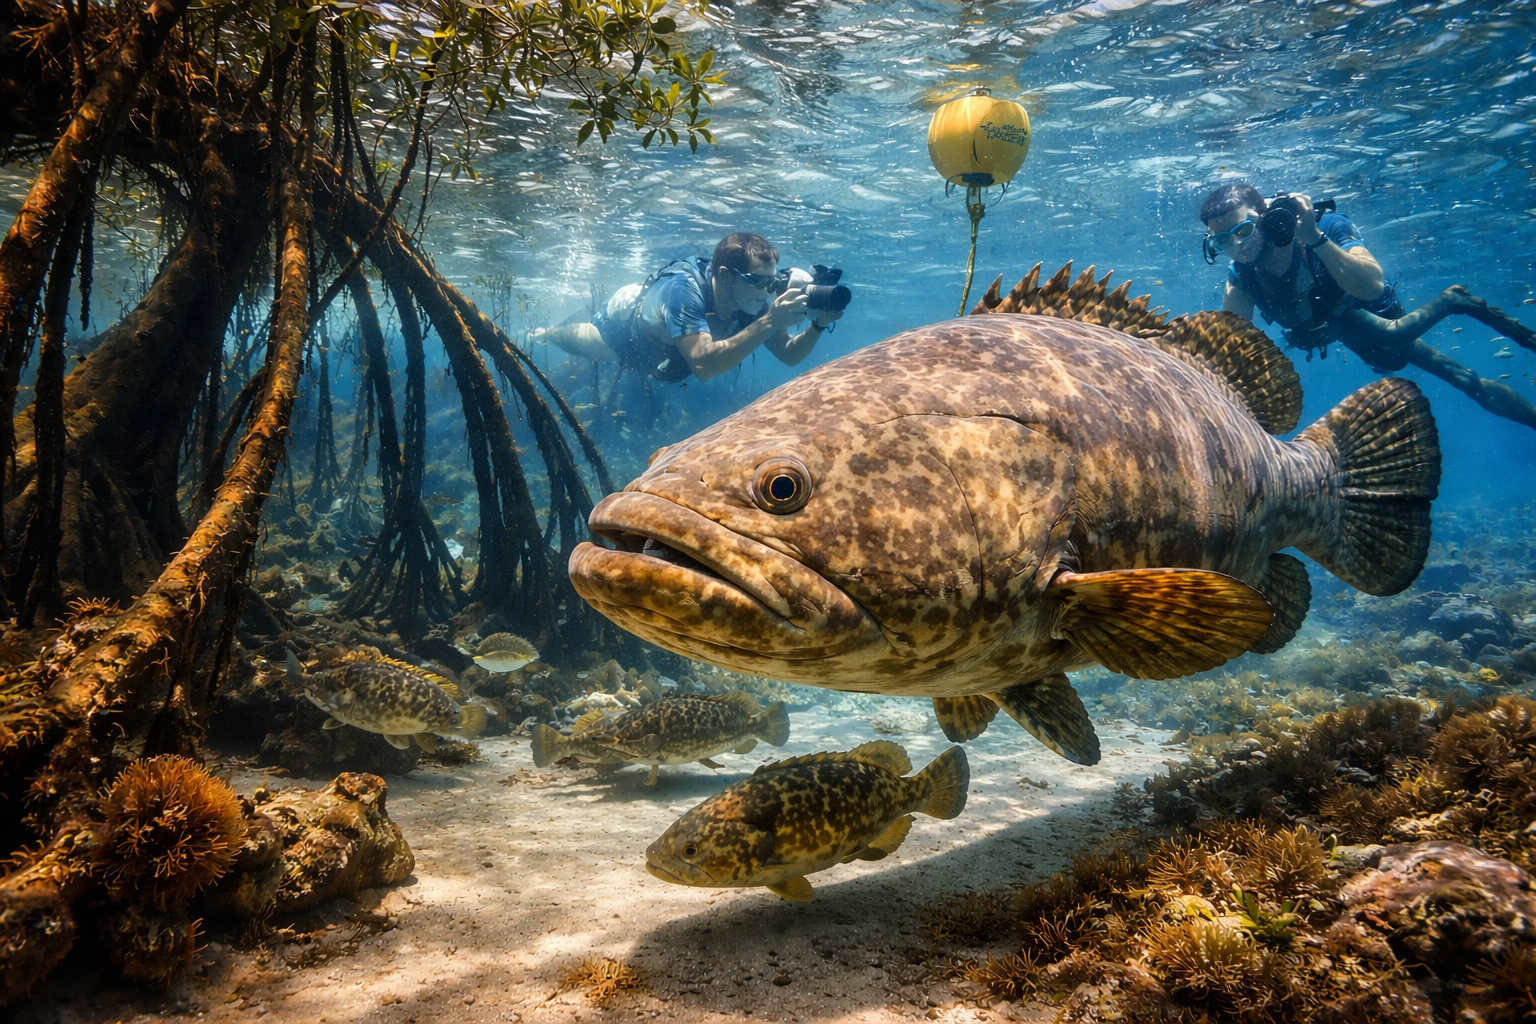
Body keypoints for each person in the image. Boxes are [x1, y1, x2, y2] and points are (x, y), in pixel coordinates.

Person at [1199, 181, 1536, 432]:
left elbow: (1372, 285)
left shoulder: (1322, 226)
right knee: (1394, 362)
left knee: (1404, 347)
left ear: (1265, 218)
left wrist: (1315, 238)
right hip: (1333, 328)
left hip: (1367, 311)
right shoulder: (1241, 276)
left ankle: (1454, 301)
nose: (1238, 246)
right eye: (1223, 240)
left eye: (1244, 230)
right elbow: (1232, 347)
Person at [531, 232, 843, 383]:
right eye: (760, 282)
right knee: (574, 340)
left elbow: (788, 355)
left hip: (663, 357)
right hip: (622, 336)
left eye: (772, 283)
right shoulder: (683, 292)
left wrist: (817, 325)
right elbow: (704, 365)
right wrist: (770, 321)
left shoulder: (751, 298)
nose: (768, 291)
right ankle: (543, 333)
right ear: (725, 275)